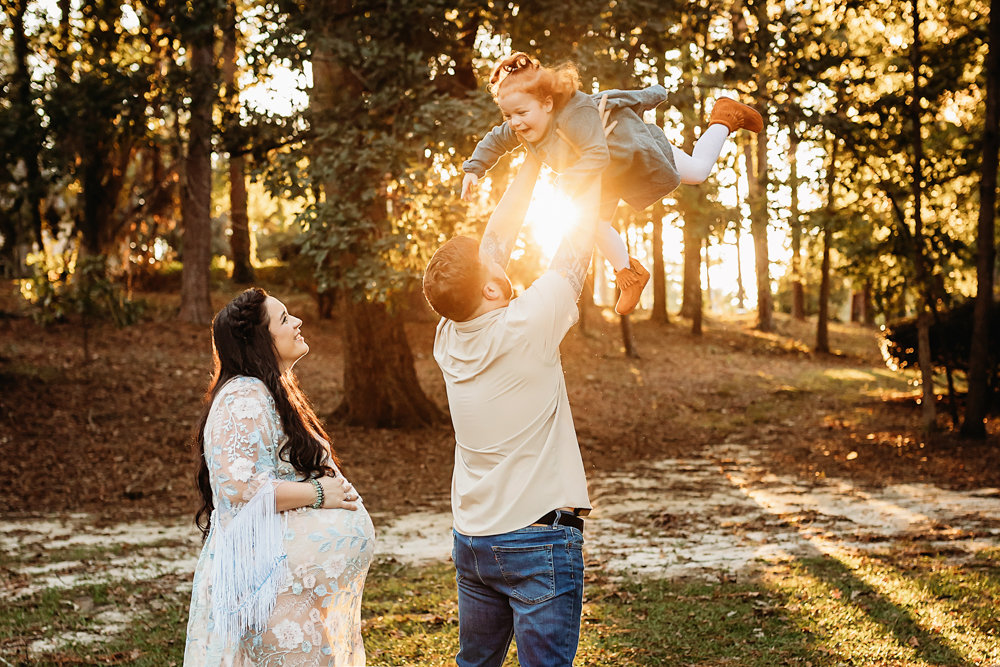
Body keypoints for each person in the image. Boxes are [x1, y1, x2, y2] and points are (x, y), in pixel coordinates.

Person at [424, 107, 610, 665]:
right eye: (489, 264)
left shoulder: (448, 335)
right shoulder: (527, 324)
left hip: (474, 542)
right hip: (537, 541)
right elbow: (576, 245)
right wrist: (591, 151)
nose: (495, 252)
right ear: (489, 290)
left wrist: (531, 157)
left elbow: (497, 239)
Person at [461, 51, 763, 315]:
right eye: (508, 115)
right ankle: (629, 275)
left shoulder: (576, 114)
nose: (514, 122)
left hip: (631, 148)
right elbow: (496, 139)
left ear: (547, 103)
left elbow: (597, 154)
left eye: (521, 114)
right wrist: (474, 169)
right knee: (592, 224)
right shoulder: (521, 123)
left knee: (697, 172)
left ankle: (724, 116)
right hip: (603, 177)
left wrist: (564, 182)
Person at [183, 288, 375, 667]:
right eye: (285, 319)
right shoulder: (243, 395)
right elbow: (238, 487)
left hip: (285, 588)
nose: (298, 322)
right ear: (258, 339)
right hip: (267, 588)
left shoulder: (266, 391)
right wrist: (317, 493)